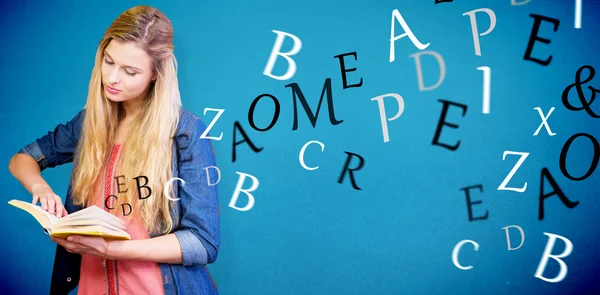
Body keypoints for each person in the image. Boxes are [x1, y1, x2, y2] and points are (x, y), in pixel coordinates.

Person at [8, 5, 220, 295]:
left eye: (130, 71)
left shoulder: (186, 131)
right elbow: (23, 159)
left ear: (157, 74)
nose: (112, 78)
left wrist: (113, 249)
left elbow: (202, 242)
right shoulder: (88, 124)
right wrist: (42, 190)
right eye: (109, 62)